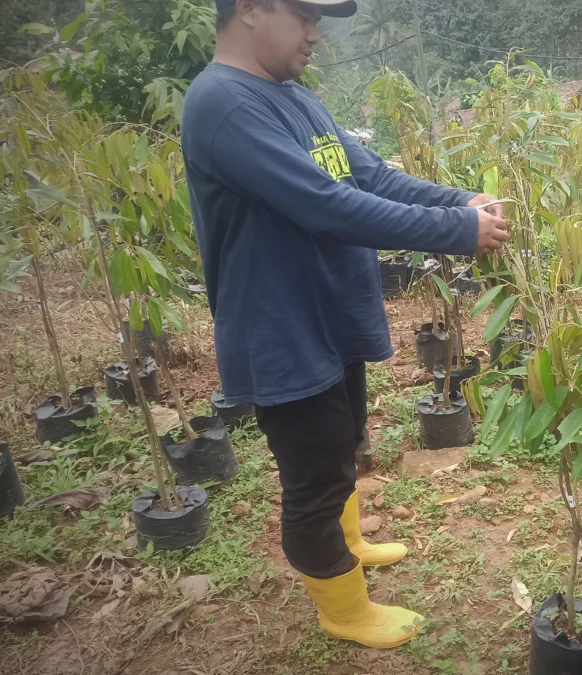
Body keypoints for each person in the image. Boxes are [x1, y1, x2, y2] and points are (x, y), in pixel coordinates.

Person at [180, 0, 509, 649]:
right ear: (249, 8)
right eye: (305, 16)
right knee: (313, 477)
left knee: (342, 442)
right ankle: (344, 607)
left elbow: (369, 175)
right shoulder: (222, 103)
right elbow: (327, 205)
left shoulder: (292, 95)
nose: (315, 33)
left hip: (325, 314)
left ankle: (351, 541)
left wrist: (457, 200)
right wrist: (458, 231)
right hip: (280, 328)